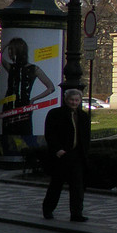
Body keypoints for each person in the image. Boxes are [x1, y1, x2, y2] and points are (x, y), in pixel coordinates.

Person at [42, 88, 91, 222]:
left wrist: (84, 153)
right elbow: (49, 134)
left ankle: (76, 214)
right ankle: (48, 209)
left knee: (77, 186)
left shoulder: (83, 116)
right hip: (61, 155)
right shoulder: (55, 114)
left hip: (77, 155)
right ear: (66, 100)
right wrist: (57, 149)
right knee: (56, 184)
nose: (74, 102)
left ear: (80, 101)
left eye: (76, 100)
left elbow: (86, 137)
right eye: (71, 100)